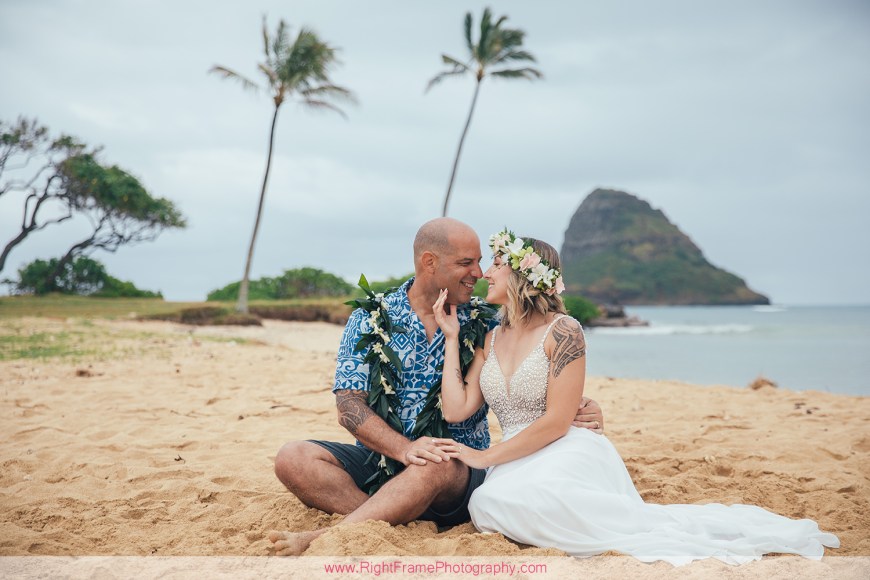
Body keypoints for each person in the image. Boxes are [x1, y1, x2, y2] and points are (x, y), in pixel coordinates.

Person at [426, 230, 840, 566]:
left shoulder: (565, 331)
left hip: (563, 445)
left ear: (522, 274)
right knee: (487, 505)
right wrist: (450, 338)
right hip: (516, 457)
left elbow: (557, 421)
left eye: (497, 263)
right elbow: (456, 407)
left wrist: (482, 457)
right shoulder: (490, 337)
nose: (485, 273)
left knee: (507, 500)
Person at [268, 218, 604, 555]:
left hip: (454, 468)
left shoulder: (487, 320)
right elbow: (349, 406)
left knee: (434, 462)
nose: (479, 271)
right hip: (383, 459)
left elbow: (529, 364)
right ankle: (387, 513)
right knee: (293, 457)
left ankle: (339, 531)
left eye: (482, 261)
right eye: (466, 262)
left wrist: (580, 404)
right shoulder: (369, 318)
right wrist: (403, 450)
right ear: (429, 262)